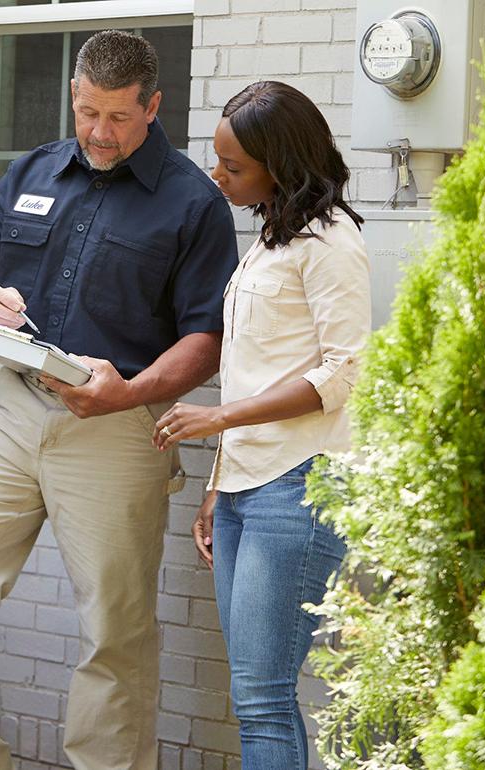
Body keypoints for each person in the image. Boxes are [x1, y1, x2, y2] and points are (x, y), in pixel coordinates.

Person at [0, 30, 238, 770]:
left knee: (114, 631)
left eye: (118, 117)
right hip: (13, 412)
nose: (99, 132)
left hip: (117, 429)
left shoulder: (192, 204)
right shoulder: (32, 170)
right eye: (87, 112)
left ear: (153, 106)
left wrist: (129, 394)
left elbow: (205, 340)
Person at [152, 80, 371, 770]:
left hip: (298, 490)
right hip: (248, 490)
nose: (217, 177)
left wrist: (217, 416)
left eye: (234, 167)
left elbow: (342, 375)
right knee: (253, 692)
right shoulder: (272, 240)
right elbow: (253, 367)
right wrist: (220, 482)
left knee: (263, 695)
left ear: (283, 164)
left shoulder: (331, 242)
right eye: (217, 161)